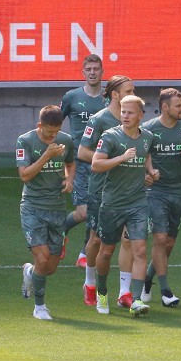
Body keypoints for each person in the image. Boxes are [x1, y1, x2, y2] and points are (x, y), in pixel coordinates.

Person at [91, 95, 159, 317]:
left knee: (140, 250)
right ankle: (102, 292)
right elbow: (96, 164)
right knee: (106, 252)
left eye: (130, 112)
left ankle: (136, 299)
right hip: (112, 204)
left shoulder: (147, 136)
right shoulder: (110, 137)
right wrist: (121, 158)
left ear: (141, 115)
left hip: (138, 203)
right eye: (123, 112)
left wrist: (150, 171)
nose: (125, 116)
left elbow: (145, 153)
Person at [77, 75, 134, 311]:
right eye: (128, 90)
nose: (133, 93)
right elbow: (82, 152)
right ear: (115, 94)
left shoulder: (135, 118)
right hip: (101, 188)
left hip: (128, 189)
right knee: (97, 239)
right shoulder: (99, 120)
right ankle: (90, 283)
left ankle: (125, 292)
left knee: (128, 240)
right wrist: (112, 160)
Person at [140, 88, 181, 307]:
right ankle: (166, 292)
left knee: (169, 243)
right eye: (178, 106)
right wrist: (148, 173)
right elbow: (142, 155)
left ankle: (148, 279)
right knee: (159, 239)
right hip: (156, 193)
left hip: (179, 192)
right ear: (165, 107)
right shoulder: (148, 129)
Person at [17, 106, 76, 320]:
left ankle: (29, 272)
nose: (53, 136)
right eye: (48, 132)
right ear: (39, 125)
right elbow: (24, 175)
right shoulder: (25, 141)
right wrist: (47, 154)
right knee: (42, 258)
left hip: (57, 208)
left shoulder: (66, 140)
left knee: (49, 268)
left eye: (56, 131)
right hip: (33, 207)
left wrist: (70, 179)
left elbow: (70, 163)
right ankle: (39, 307)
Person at [60, 54, 106, 268]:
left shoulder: (109, 98)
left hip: (104, 161)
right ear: (83, 72)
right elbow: (54, 122)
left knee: (97, 210)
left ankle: (84, 253)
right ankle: (60, 231)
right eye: (89, 69)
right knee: (83, 212)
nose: (93, 72)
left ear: (102, 71)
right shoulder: (71, 97)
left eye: (96, 69)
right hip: (80, 161)